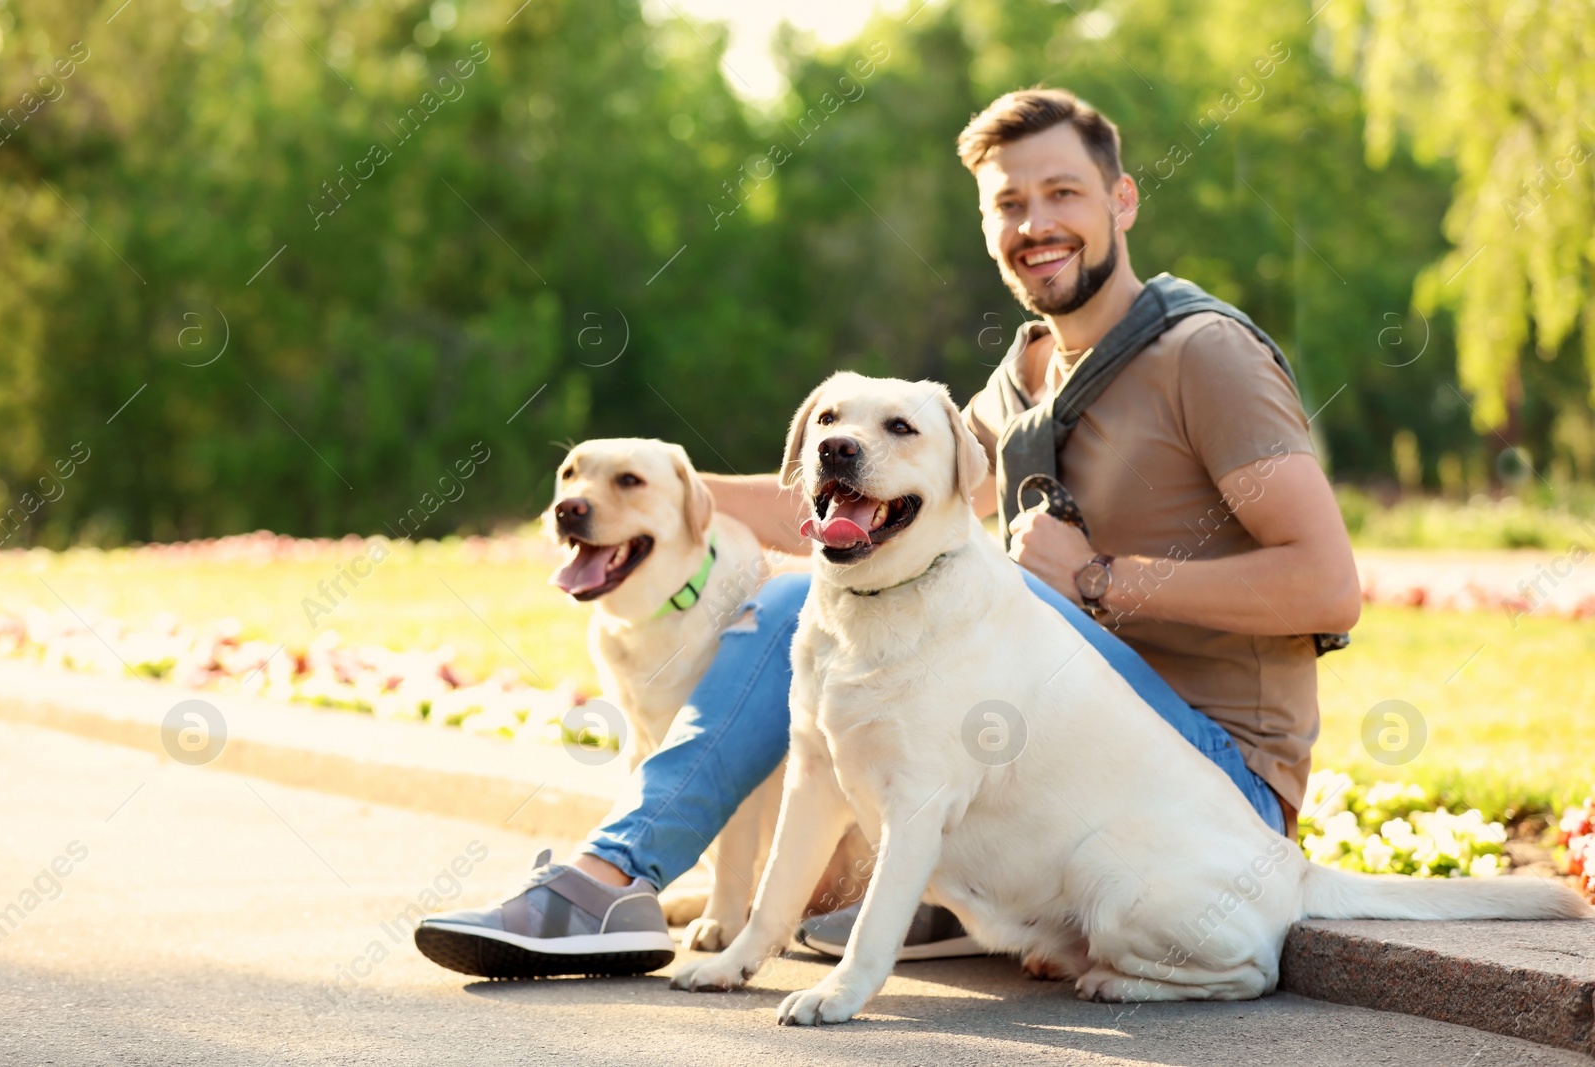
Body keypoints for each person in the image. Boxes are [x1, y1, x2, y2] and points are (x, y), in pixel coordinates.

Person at [415, 88, 1361, 977]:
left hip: (1200, 799)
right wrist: (660, 484)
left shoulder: (1206, 355)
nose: (1036, 225)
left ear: (1123, 199)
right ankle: (914, 898)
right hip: (1045, 769)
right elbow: (859, 510)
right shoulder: (1025, 379)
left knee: (803, 598)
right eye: (1009, 203)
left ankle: (610, 879)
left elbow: (1327, 586)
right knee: (837, 608)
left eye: (1063, 193)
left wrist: (1103, 580)